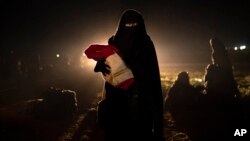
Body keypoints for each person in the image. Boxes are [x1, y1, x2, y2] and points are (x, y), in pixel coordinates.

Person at [94, 9, 164, 141]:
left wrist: (157, 122)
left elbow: (152, 77)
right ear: (121, 26)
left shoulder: (145, 44)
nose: (131, 29)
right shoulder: (114, 43)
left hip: (140, 102)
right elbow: (107, 68)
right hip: (116, 102)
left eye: (134, 25)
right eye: (128, 25)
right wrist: (102, 65)